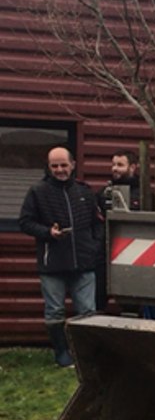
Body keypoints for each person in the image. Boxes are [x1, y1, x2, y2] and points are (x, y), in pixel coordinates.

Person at [17, 147, 103, 367]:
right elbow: (25, 222)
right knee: (54, 311)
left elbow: (97, 223)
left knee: (87, 312)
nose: (59, 169)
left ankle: (87, 356)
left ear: (72, 164)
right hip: (52, 263)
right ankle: (62, 353)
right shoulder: (38, 191)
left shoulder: (84, 191)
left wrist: (93, 246)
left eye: (63, 165)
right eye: (54, 166)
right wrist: (48, 233)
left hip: (83, 262)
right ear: (49, 166)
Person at [93, 149, 142, 309]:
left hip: (134, 257)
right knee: (98, 302)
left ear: (133, 167)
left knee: (131, 305)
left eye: (120, 165)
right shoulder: (103, 193)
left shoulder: (144, 195)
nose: (115, 168)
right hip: (104, 255)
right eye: (113, 164)